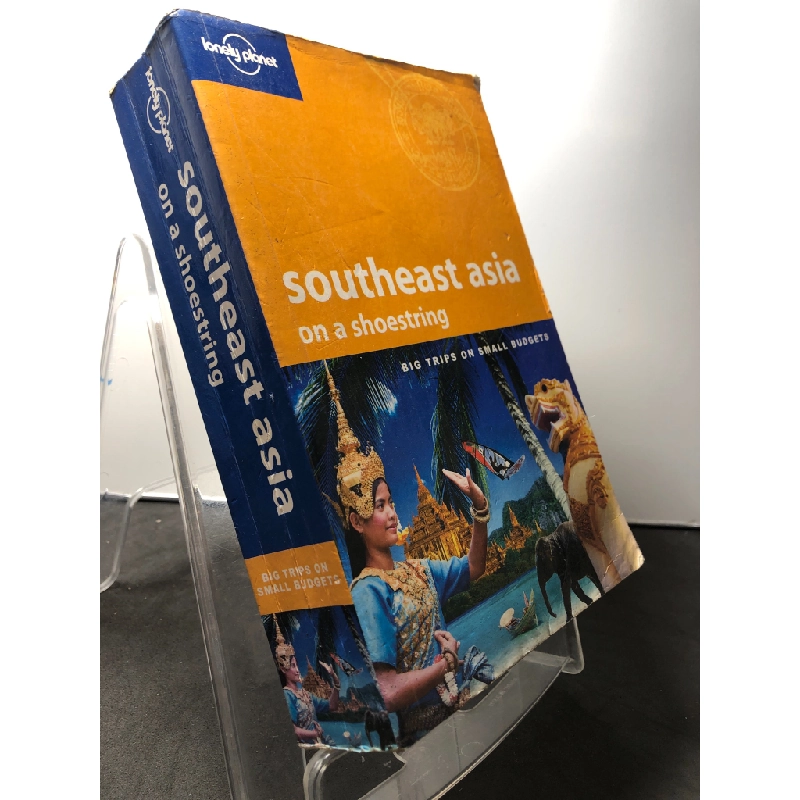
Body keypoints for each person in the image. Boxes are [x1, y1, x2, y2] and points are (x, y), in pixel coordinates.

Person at [326, 367, 493, 746]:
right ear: (356, 521)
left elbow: (475, 567)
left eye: (390, 502)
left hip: (461, 711)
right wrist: (447, 664)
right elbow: (386, 692)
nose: (392, 513)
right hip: (425, 736)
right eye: (379, 506)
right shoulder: (368, 591)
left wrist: (480, 509)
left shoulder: (419, 570)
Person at [273, 615, 340, 745]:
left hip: (318, 742)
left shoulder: (306, 694)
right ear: (283, 669)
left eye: (297, 665)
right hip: (306, 745)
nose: (298, 670)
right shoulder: (288, 695)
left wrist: (335, 681)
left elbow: (332, 706)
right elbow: (292, 730)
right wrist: (314, 733)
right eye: (293, 666)